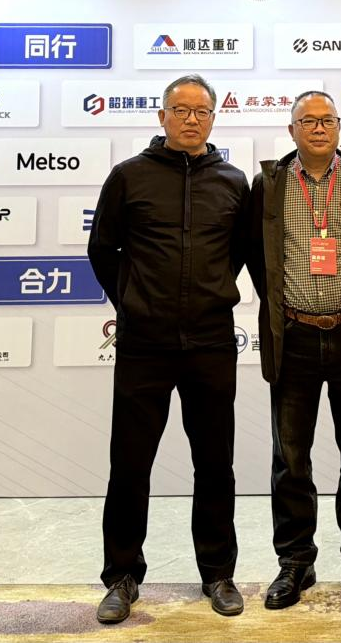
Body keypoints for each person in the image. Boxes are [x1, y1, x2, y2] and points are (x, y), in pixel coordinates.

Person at [88, 74, 250, 623]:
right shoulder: (128, 176)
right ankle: (121, 576)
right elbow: (102, 249)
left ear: (213, 118)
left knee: (215, 463)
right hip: (145, 343)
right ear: (162, 117)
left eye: (201, 111)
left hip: (210, 340)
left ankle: (218, 573)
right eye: (180, 110)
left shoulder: (233, 181)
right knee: (130, 464)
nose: (191, 119)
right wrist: (135, 302)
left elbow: (238, 253)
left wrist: (207, 293)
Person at [246, 89, 341, 611]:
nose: (317, 128)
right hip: (295, 336)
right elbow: (257, 257)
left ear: (338, 128)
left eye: (326, 120)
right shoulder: (269, 184)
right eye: (307, 120)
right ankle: (295, 562)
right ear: (291, 130)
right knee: (290, 460)